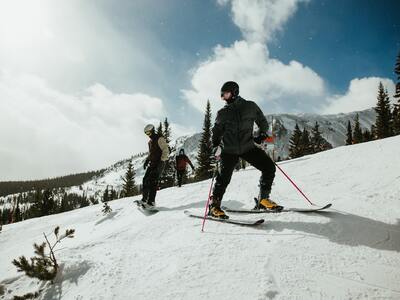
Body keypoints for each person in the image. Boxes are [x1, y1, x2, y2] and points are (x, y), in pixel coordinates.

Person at [209, 81, 282, 219]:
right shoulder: (222, 113)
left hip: (248, 147)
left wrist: (262, 135)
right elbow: (216, 132)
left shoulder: (250, 106)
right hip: (229, 150)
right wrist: (215, 146)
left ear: (235, 92)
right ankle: (214, 207)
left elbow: (263, 122)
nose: (224, 98)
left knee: (269, 167)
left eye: (226, 94)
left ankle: (263, 200)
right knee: (223, 179)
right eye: (222, 96)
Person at [141, 124, 170, 206]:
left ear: (152, 131)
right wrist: (147, 160)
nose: (148, 135)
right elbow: (151, 153)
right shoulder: (150, 142)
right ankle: (144, 199)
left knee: (153, 181)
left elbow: (166, 150)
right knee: (145, 180)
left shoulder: (159, 138)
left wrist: (162, 161)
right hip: (152, 163)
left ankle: (151, 202)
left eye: (149, 133)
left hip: (159, 163)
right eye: (146, 133)